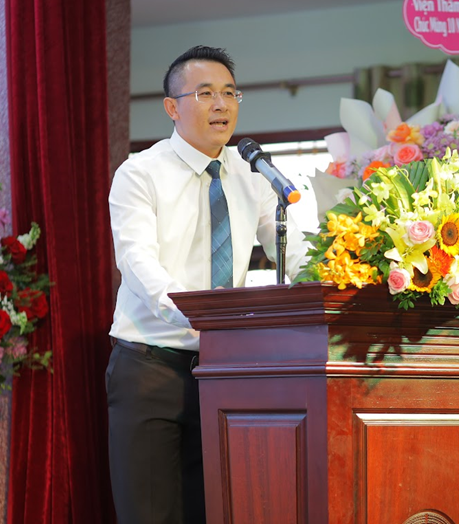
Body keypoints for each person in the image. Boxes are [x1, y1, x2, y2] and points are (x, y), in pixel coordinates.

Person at [105, 45, 308, 524]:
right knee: (150, 513)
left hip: (226, 369)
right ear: (172, 107)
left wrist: (333, 279)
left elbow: (294, 251)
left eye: (230, 93)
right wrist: (202, 317)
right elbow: (137, 262)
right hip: (151, 367)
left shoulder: (252, 174)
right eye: (205, 93)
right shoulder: (140, 173)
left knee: (219, 508)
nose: (221, 104)